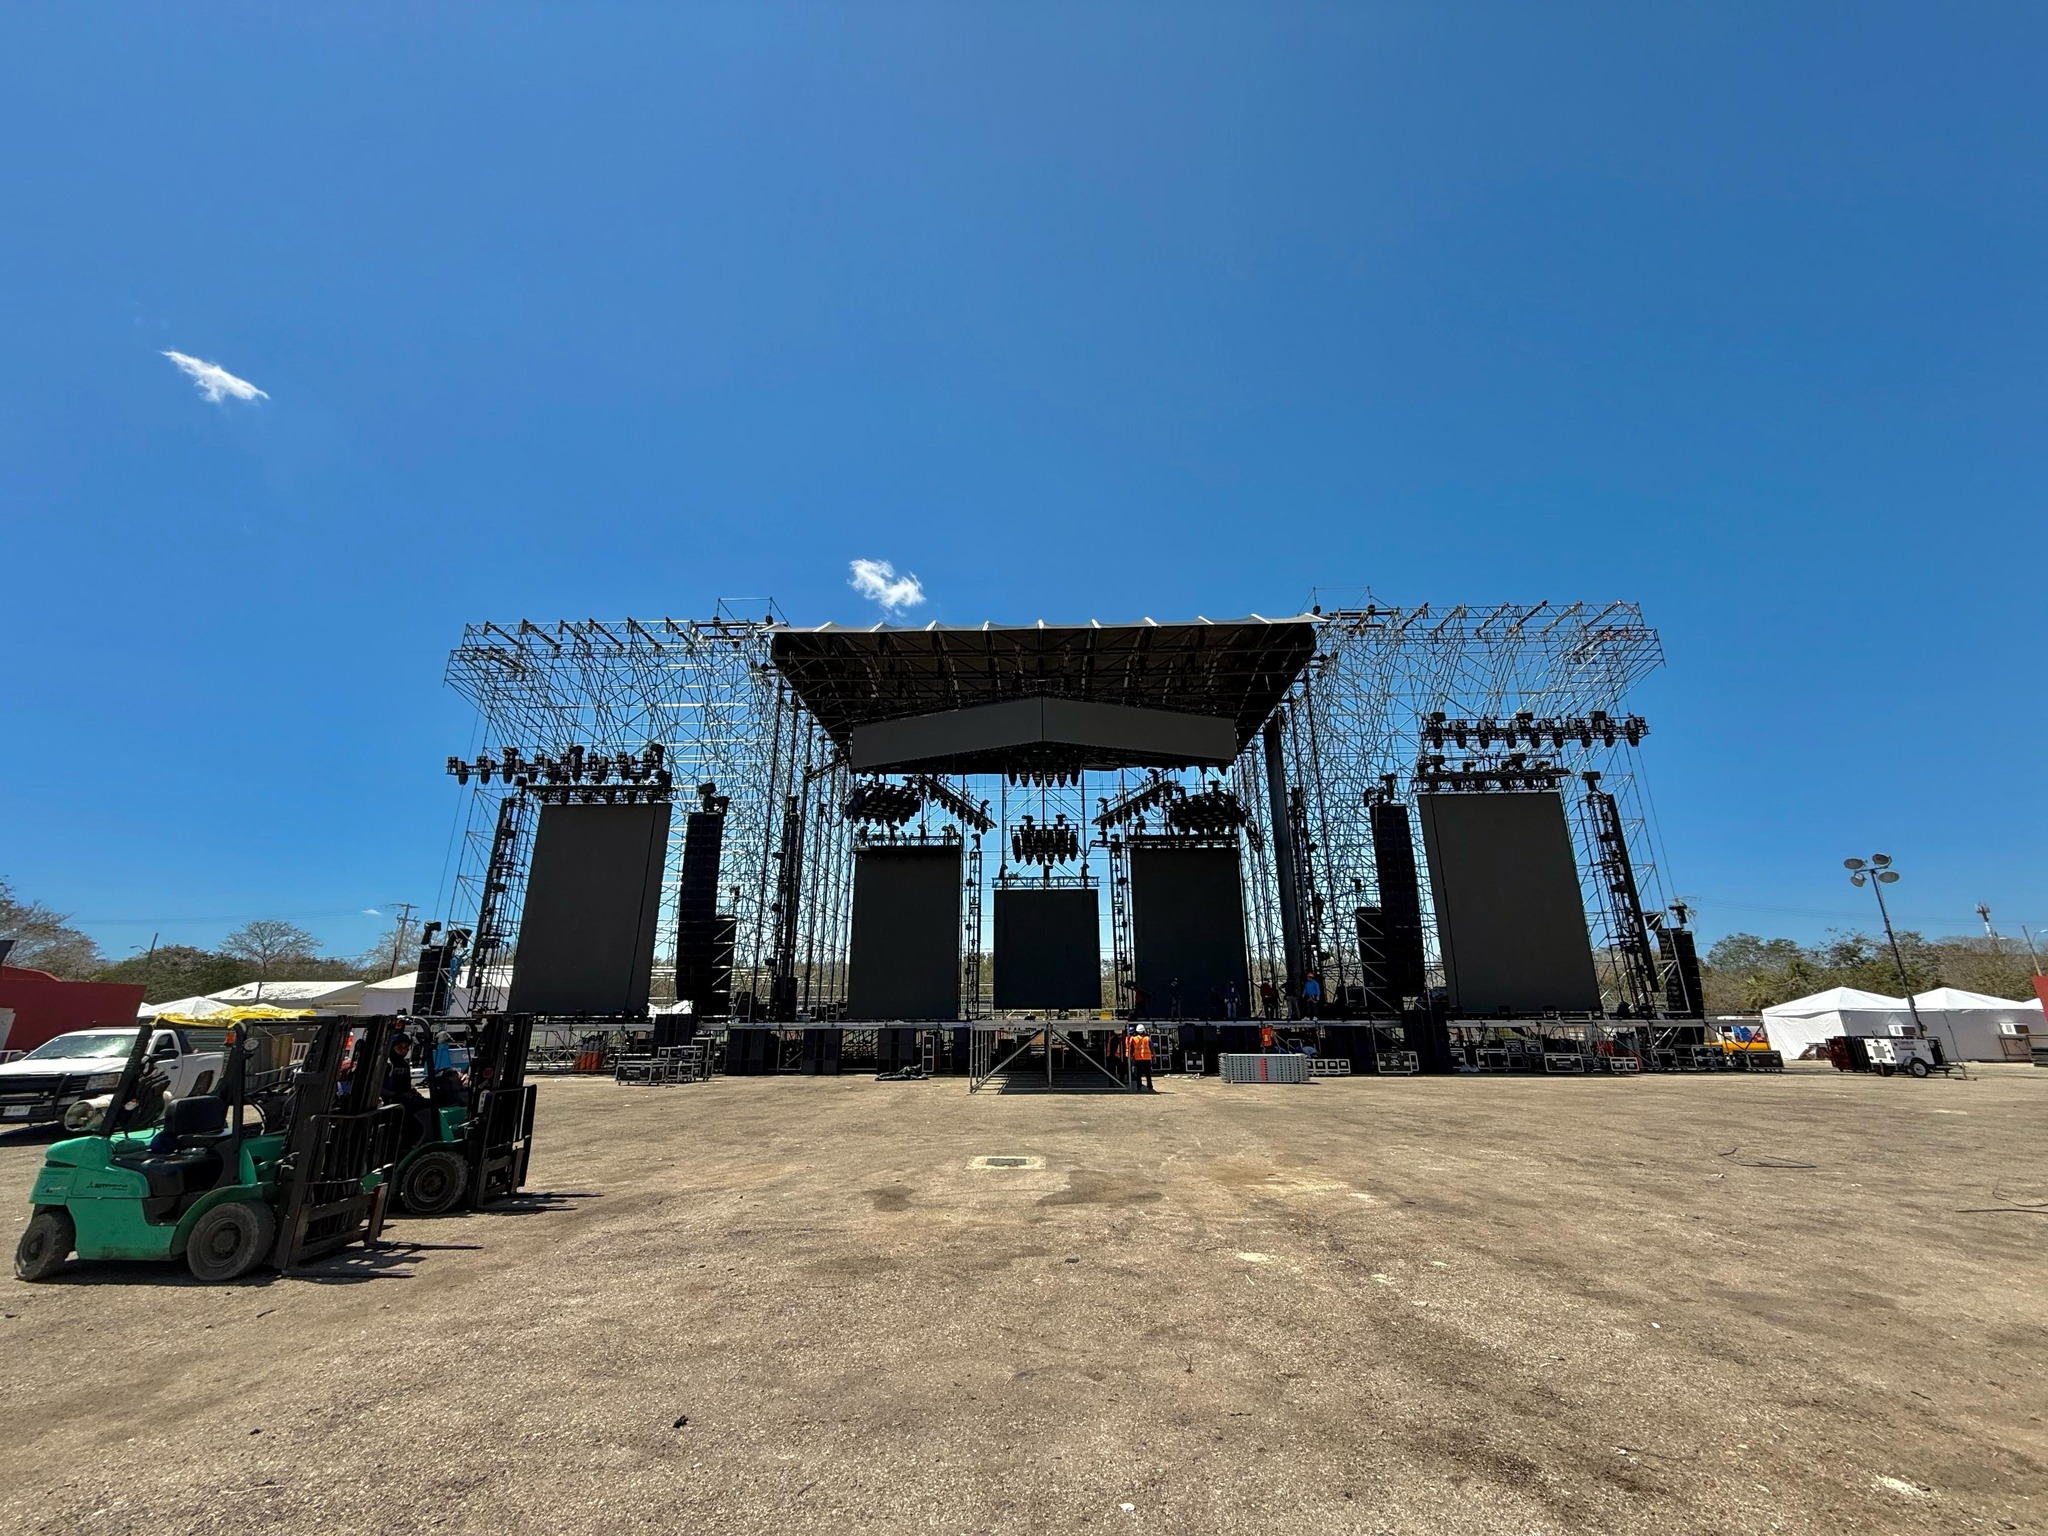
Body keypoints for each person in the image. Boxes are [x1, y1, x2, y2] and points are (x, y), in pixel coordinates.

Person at [1129, 1023, 1155, 1092]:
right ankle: (1150, 1087)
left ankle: (1139, 1087)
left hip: (1138, 1058)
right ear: (1144, 1031)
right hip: (1147, 1058)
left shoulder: (1134, 1039)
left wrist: (1131, 1057)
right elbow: (1152, 1048)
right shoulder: (1147, 1039)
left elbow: (1131, 1049)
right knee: (1148, 1074)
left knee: (1138, 1074)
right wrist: (1154, 1057)